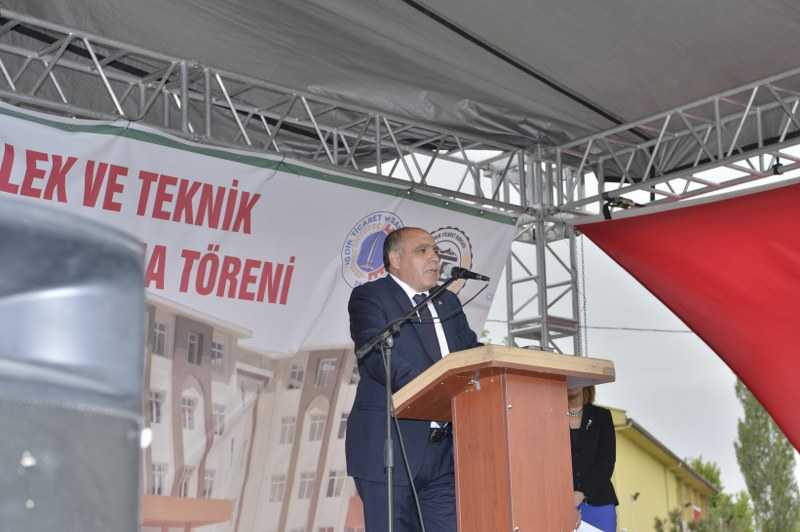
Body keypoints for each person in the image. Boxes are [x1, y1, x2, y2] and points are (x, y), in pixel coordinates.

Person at [346, 226, 480, 532]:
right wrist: (435, 390)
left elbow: (471, 352)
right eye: (423, 251)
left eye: (436, 251)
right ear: (395, 259)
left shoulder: (447, 302)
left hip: (444, 452)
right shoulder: (371, 297)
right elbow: (377, 355)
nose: (435, 258)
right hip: (390, 446)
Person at [568, 385, 619, 531]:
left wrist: (582, 492)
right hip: (560, 504)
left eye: (577, 377)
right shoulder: (548, 417)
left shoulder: (602, 416)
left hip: (599, 503)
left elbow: (607, 462)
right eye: (568, 377)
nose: (573, 382)